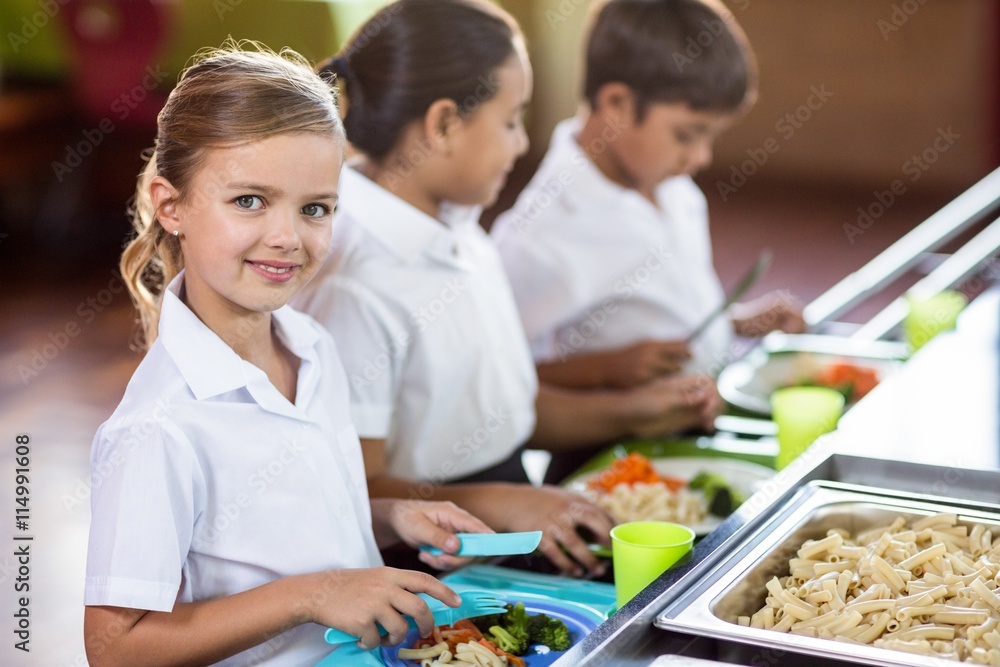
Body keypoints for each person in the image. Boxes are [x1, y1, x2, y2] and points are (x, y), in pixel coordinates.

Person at [83, 43, 495, 667]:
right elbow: (114, 648)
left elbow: (290, 529)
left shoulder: (313, 347)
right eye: (249, 200)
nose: (287, 237)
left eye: (314, 209)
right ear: (171, 206)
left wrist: (392, 517)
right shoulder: (158, 427)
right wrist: (312, 595)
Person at [294, 0, 717, 578]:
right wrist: (504, 502)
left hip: (510, 517)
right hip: (428, 565)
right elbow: (358, 491)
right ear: (444, 125)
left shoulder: (462, 230)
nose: (521, 145)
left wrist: (636, 412)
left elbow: (506, 413)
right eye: (512, 120)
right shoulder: (357, 282)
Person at [491, 0, 805, 393]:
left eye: (711, 136)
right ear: (617, 105)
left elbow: (663, 306)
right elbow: (498, 375)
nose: (701, 157)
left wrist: (734, 322)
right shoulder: (539, 238)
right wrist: (604, 369)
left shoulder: (672, 186)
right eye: (686, 135)